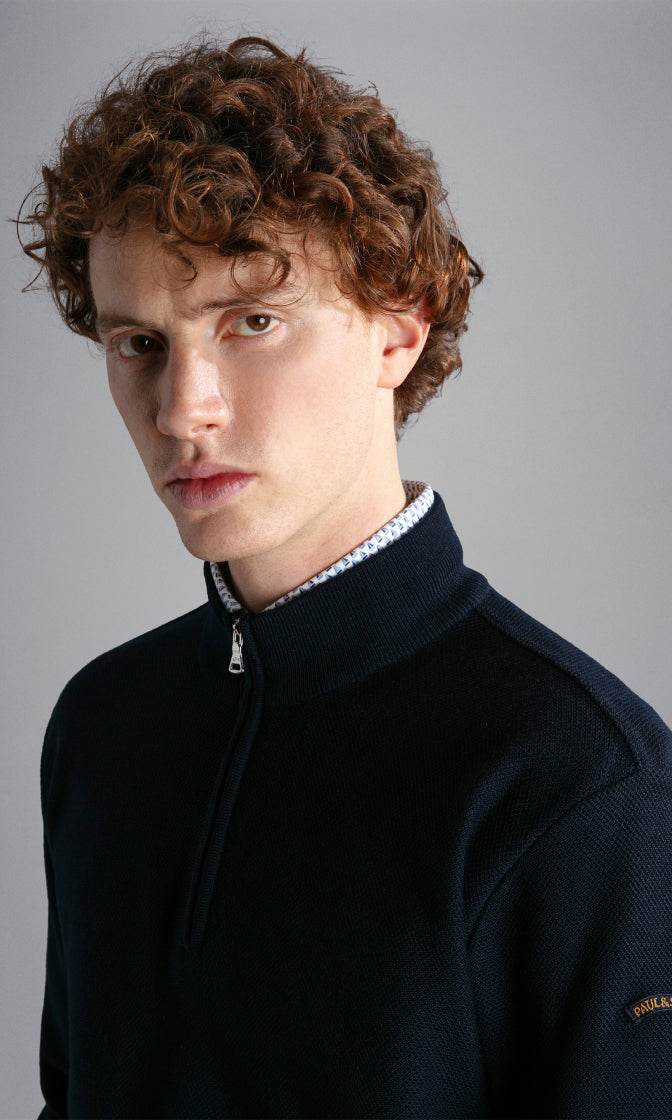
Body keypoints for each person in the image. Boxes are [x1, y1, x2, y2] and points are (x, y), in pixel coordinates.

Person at [18, 32, 672, 1120]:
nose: (183, 410)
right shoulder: (104, 725)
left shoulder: (582, 782)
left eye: (253, 321)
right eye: (141, 344)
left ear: (399, 331)